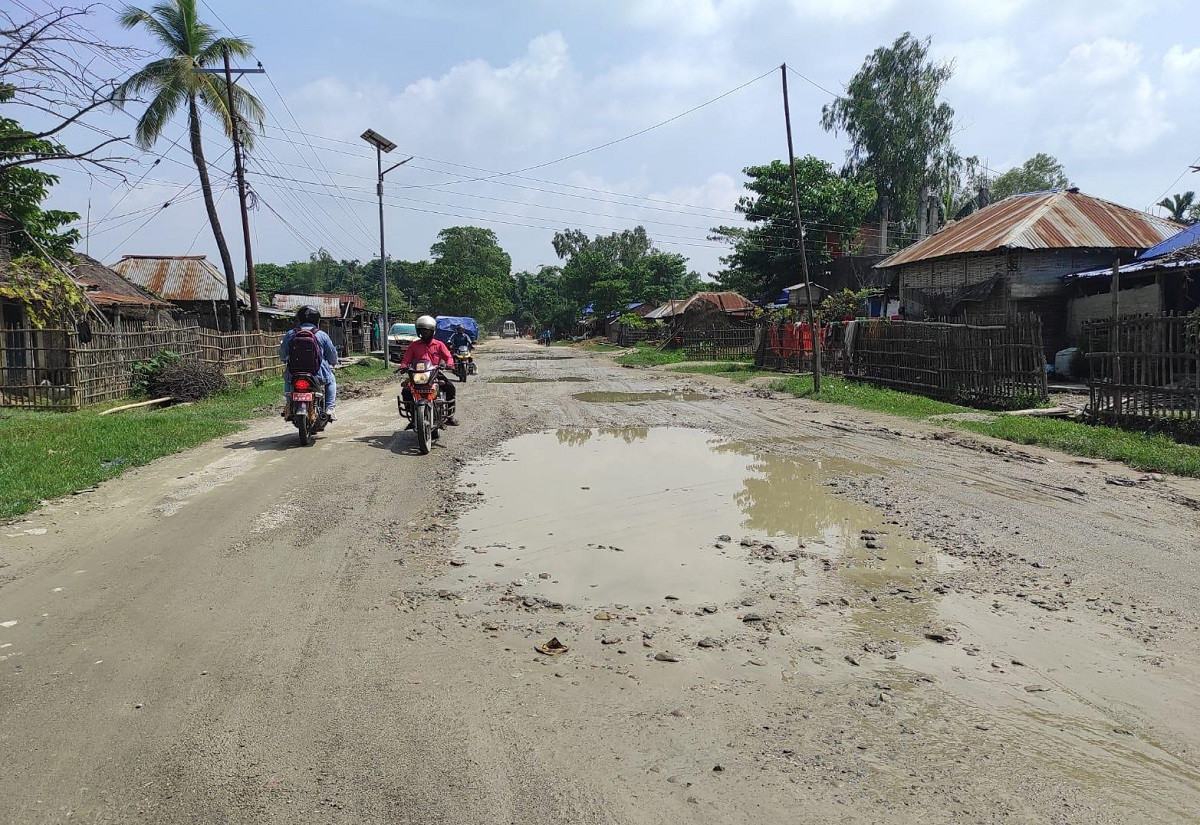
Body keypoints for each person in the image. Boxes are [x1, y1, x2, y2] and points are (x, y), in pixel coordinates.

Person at [397, 315, 457, 428]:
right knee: (406, 390)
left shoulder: (439, 344)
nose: (425, 332)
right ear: (418, 331)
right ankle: (414, 417)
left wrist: (450, 364)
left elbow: (448, 356)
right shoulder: (414, 345)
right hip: (417, 374)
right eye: (422, 330)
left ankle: (449, 417)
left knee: (450, 387)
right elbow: (406, 358)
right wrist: (404, 366)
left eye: (427, 330)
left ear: (432, 331)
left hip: (434, 373)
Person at [280, 305, 339, 420]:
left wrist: (284, 360)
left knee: (287, 378)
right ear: (317, 320)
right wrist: (333, 362)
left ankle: (288, 404)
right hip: (317, 374)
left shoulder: (291, 334)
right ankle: (330, 409)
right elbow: (331, 354)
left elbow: (283, 351)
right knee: (331, 379)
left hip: (295, 373)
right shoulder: (321, 335)